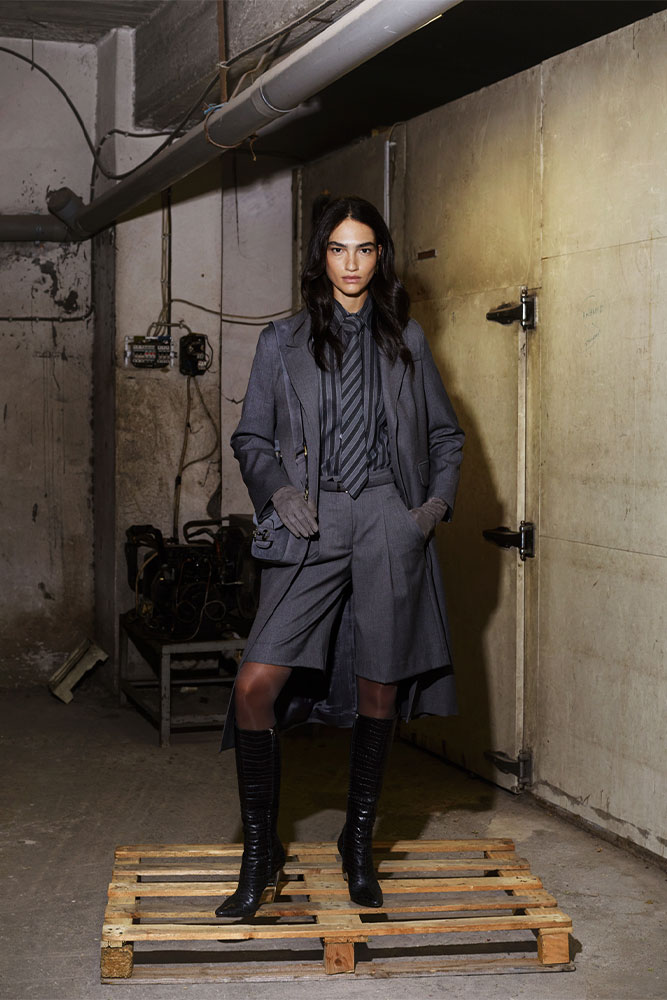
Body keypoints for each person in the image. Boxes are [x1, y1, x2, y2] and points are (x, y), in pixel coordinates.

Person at [216, 196, 464, 918]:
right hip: (311, 523)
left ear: (380, 257)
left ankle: (357, 846)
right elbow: (251, 437)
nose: (351, 263)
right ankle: (261, 854)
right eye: (337, 248)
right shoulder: (281, 341)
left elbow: (445, 437)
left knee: (378, 690)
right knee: (255, 684)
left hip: (388, 517)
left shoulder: (406, 340)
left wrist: (429, 511)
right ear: (319, 256)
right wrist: (279, 491)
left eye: (364, 249)